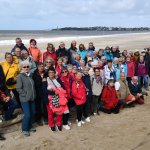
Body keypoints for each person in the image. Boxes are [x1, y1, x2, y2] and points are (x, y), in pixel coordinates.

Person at [16, 61, 36, 137]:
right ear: (21, 68)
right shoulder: (20, 76)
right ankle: (24, 129)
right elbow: (18, 88)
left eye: (27, 66)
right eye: (24, 67)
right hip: (25, 99)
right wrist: (26, 95)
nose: (26, 68)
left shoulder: (30, 75)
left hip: (32, 98)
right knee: (27, 114)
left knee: (33, 113)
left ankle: (29, 126)